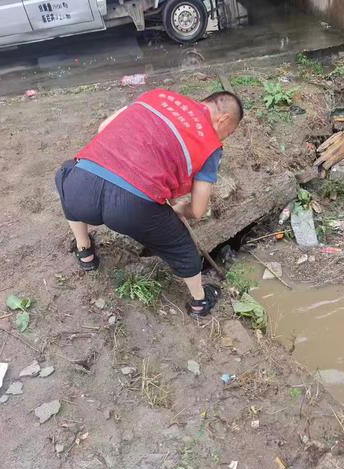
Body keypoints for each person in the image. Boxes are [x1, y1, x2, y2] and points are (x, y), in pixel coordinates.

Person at [55, 89, 243, 317]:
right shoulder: (210, 145)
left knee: (66, 173)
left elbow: (103, 128)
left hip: (82, 188)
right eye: (228, 133)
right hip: (131, 209)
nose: (223, 138)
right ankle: (199, 302)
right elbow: (198, 209)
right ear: (223, 119)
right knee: (183, 249)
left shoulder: (157, 96)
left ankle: (84, 251)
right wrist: (177, 210)